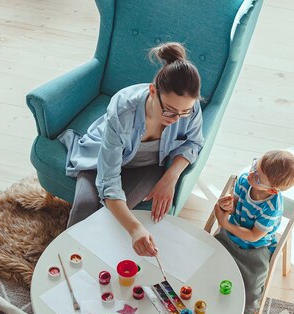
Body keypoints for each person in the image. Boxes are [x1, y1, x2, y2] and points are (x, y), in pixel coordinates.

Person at [58, 42, 204, 257]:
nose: (176, 119)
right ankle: (66, 263)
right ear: (153, 91)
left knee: (111, 217)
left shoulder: (188, 109)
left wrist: (170, 177)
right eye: (170, 111)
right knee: (85, 208)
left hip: (147, 167)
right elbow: (108, 180)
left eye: (184, 113)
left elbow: (194, 142)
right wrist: (136, 229)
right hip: (101, 159)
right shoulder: (123, 109)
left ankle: (101, 265)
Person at [214, 150, 294, 314]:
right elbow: (235, 203)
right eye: (255, 165)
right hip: (232, 233)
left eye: (258, 175)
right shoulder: (245, 181)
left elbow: (254, 236)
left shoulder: (271, 208)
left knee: (253, 279)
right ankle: (211, 290)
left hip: (256, 246)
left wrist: (226, 223)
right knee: (211, 257)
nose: (252, 172)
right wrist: (227, 205)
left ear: (271, 190)